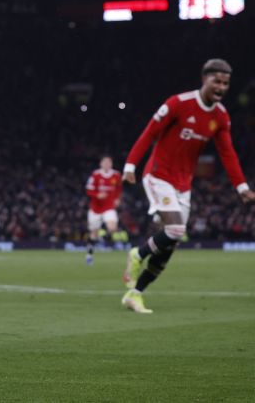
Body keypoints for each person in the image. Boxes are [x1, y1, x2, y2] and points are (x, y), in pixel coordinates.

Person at [121, 59, 254, 313]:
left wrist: (241, 188)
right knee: (175, 228)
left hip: (183, 184)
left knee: (172, 242)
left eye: (226, 83)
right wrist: (130, 166)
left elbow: (228, 153)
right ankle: (137, 254)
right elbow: (149, 133)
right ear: (204, 79)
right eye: (217, 81)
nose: (222, 87)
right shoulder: (178, 103)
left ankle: (135, 293)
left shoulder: (221, 116)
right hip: (159, 175)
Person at [84, 155, 122, 265]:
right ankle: (89, 255)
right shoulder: (95, 175)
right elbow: (88, 190)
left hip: (109, 207)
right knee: (93, 234)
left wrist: (117, 199)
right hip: (95, 208)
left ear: (111, 164)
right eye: (105, 162)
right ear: (101, 164)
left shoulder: (116, 175)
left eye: (109, 162)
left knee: (113, 227)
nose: (107, 164)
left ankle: (103, 238)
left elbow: (119, 189)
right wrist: (97, 195)